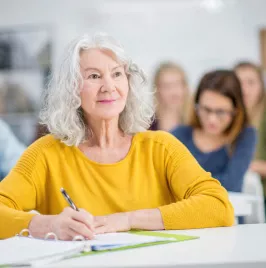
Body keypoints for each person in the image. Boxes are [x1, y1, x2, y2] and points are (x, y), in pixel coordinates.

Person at [0, 33, 234, 240]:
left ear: (129, 83)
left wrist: (127, 220)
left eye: (116, 74)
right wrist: (45, 224)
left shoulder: (161, 147)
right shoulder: (45, 153)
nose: (109, 86)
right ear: (72, 88)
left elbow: (218, 206)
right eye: (94, 76)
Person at [171, 70, 257, 193]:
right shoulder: (179, 134)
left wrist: (183, 182)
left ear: (236, 110)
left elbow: (231, 184)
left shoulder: (245, 136)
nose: (212, 120)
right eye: (206, 109)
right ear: (196, 105)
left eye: (220, 112)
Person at [234, 61, 266, 210]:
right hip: (236, 198)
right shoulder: (227, 118)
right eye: (239, 83)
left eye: (251, 83)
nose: (244, 89)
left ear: (261, 86)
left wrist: (247, 166)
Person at [150, 62, 189, 131]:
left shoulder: (195, 123)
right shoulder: (147, 125)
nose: (173, 92)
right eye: (166, 86)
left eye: (177, 84)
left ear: (185, 87)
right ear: (157, 90)